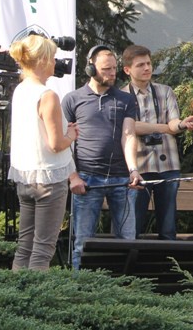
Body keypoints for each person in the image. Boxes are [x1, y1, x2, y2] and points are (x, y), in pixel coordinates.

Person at [62, 45, 143, 269]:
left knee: (128, 241)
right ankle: (79, 292)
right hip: (87, 180)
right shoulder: (72, 100)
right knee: (82, 242)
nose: (112, 73)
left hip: (121, 180)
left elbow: (128, 135)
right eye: (106, 69)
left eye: (114, 68)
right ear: (90, 68)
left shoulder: (126, 99)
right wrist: (73, 177)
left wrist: (133, 169)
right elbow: (64, 143)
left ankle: (127, 291)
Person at [7, 34, 85, 271]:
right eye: (52, 57)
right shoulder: (47, 94)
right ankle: (35, 302)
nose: (55, 63)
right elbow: (55, 144)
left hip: (26, 177)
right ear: (41, 61)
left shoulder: (20, 89)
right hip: (49, 179)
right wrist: (71, 135)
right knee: (43, 249)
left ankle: (13, 296)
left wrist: (63, 132)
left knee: (25, 246)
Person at [120, 45, 193, 240]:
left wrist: (181, 124)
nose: (147, 68)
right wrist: (164, 128)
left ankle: (169, 265)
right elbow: (131, 128)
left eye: (149, 63)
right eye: (140, 65)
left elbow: (173, 123)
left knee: (168, 225)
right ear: (127, 69)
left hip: (168, 165)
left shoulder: (165, 91)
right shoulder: (121, 96)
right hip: (138, 167)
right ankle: (132, 267)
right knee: (134, 224)